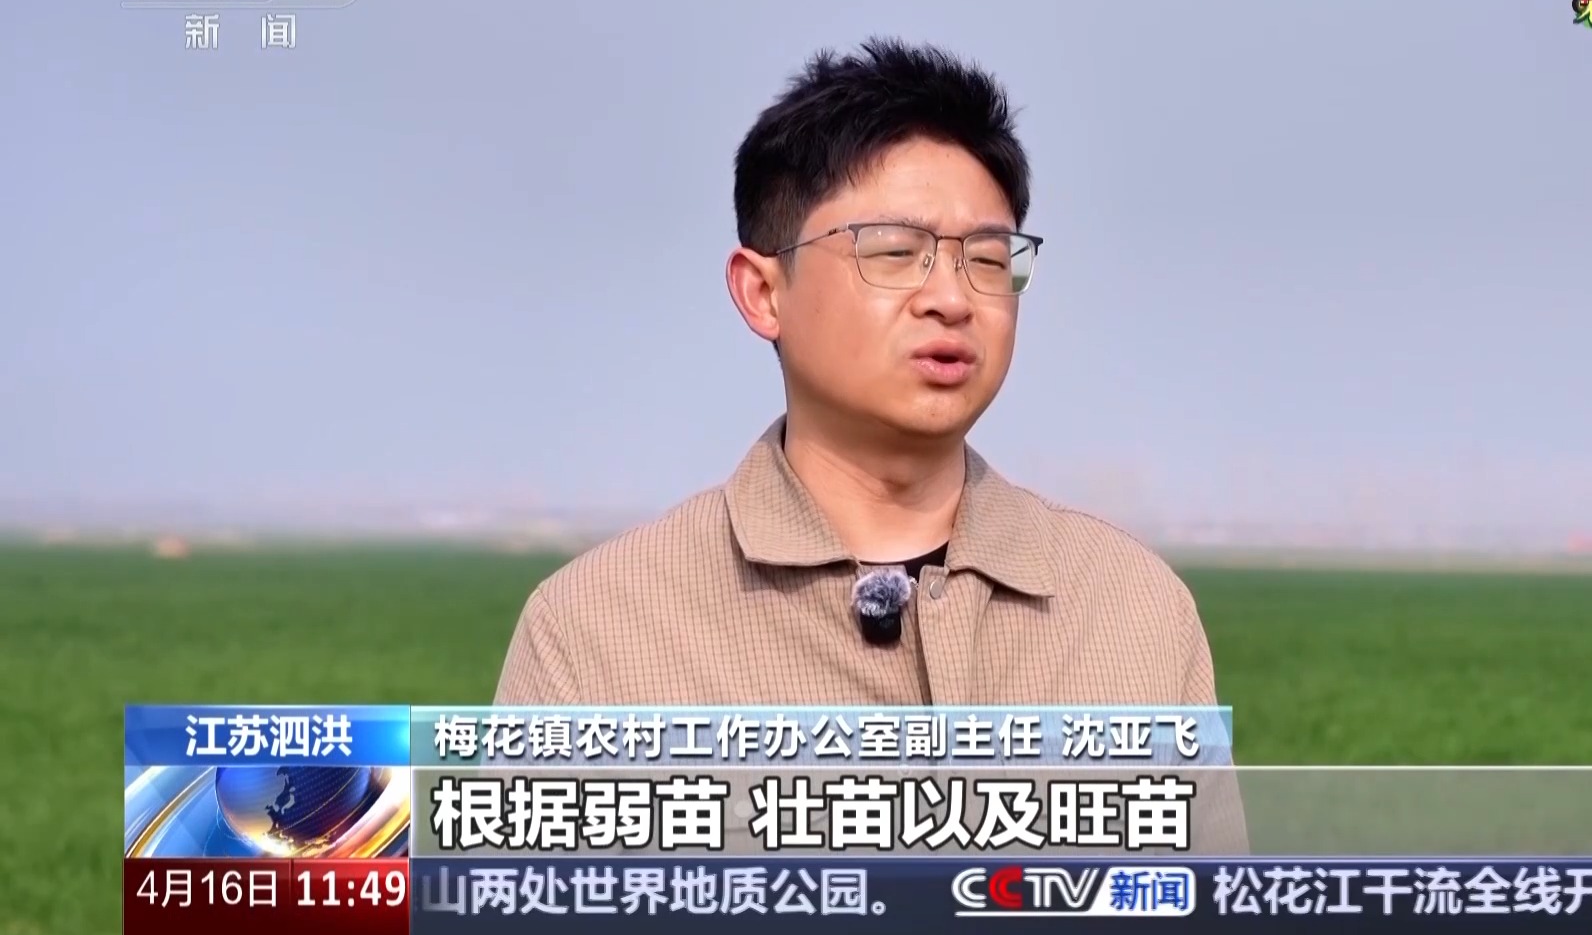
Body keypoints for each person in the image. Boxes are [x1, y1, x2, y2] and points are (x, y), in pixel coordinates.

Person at [495, 38, 1229, 714]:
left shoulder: (1135, 613)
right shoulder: (595, 634)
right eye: (894, 251)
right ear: (763, 292)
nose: (951, 299)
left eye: (987, 258)